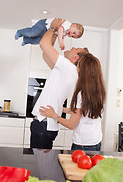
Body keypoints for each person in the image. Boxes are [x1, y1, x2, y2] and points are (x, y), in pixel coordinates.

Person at [30, 18, 88, 149]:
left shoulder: (67, 67)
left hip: (44, 124)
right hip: (46, 125)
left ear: (76, 57)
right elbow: (45, 54)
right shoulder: (67, 70)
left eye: (76, 48)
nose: (72, 47)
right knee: (42, 164)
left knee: (39, 165)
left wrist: (53, 28)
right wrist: (56, 33)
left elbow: (44, 45)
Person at [39, 53, 106, 151]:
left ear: (82, 71)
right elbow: (84, 112)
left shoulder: (81, 94)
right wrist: (64, 110)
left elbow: (71, 125)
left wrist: (54, 115)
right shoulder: (99, 91)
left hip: (82, 144)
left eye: (78, 65)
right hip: (95, 140)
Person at [15, 18, 84, 50]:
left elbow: (60, 35)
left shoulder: (66, 32)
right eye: (74, 32)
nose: (71, 34)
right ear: (73, 25)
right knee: (33, 33)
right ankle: (20, 32)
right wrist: (61, 42)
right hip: (44, 25)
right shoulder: (67, 24)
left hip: (47, 31)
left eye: (73, 36)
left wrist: (62, 38)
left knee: (38, 41)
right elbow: (60, 30)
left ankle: (26, 40)